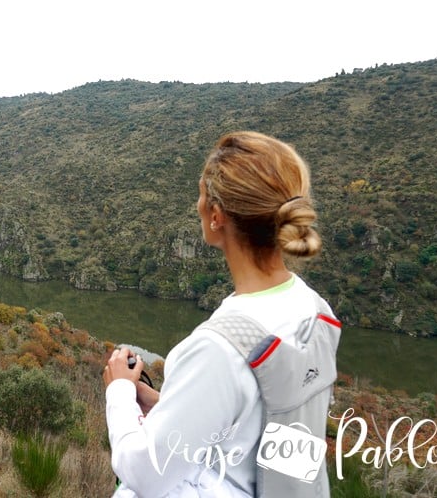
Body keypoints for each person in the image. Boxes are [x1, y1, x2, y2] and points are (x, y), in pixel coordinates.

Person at [103, 131, 337, 497]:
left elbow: (144, 472)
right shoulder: (315, 311)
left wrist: (118, 390)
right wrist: (163, 404)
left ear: (216, 216)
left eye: (201, 196)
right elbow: (259, 423)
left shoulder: (218, 348)